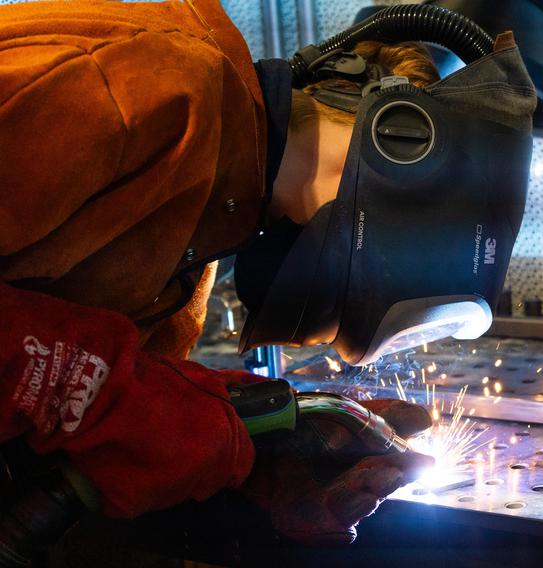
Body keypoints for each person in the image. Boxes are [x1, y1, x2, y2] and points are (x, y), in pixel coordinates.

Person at [0, 0, 441, 544]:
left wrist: (256, 443)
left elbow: (116, 389)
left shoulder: (198, 235)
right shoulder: (150, 85)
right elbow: (89, 386)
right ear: (391, 141)